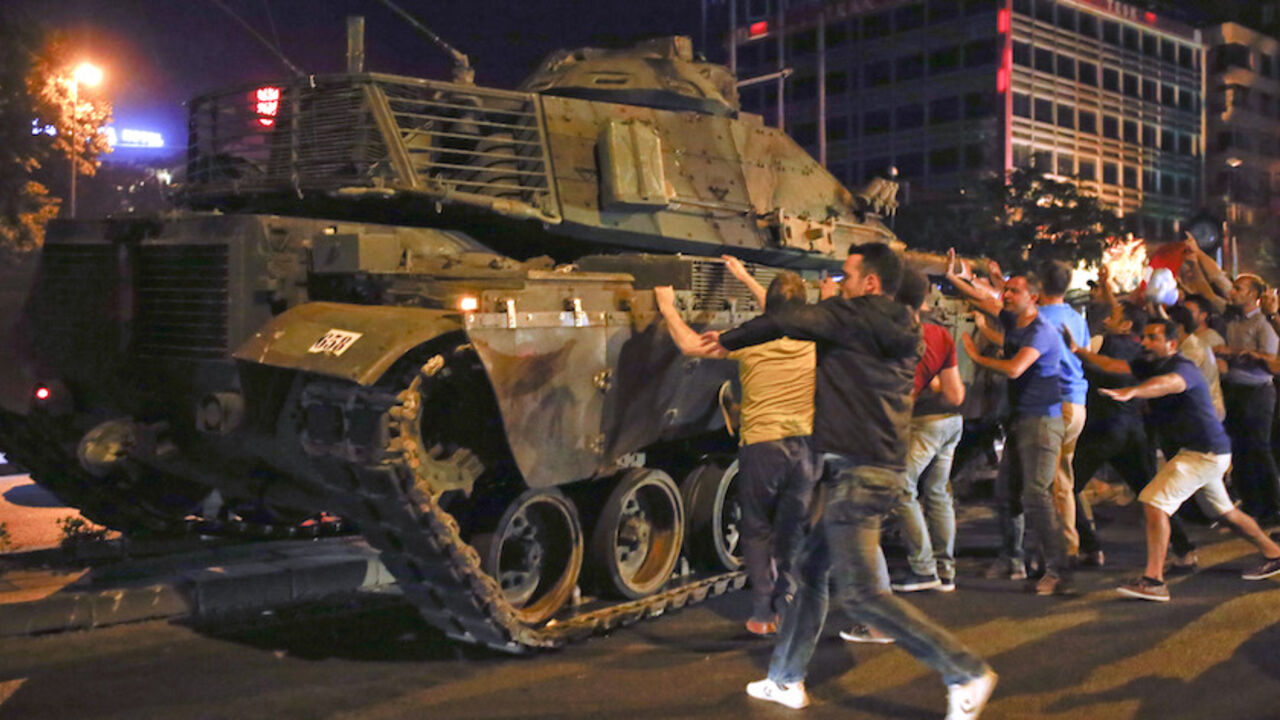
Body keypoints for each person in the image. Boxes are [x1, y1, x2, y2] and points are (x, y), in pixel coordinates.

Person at [705, 243, 995, 718]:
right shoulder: (900, 326)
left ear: (871, 284)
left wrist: (729, 340)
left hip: (859, 472)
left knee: (862, 595)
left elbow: (786, 319)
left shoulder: (856, 317)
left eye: (846, 276)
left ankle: (963, 671)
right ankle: (784, 679)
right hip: (867, 467)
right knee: (810, 570)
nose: (841, 284)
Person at [653, 256, 816, 637]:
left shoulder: (752, 344)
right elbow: (781, 315)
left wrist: (666, 307)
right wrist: (743, 276)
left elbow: (691, 346)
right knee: (791, 529)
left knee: (757, 528)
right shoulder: (814, 341)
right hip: (806, 448)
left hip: (764, 447)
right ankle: (787, 598)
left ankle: (762, 612)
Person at [1101, 319, 1280, 602]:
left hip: (1203, 453)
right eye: (1144, 337)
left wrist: (1134, 392)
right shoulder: (1150, 364)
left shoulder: (1183, 368)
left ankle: (1153, 580)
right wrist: (1075, 350)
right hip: (1207, 452)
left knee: (1153, 501)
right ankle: (1274, 552)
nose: (1145, 342)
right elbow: (1113, 366)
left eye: (1153, 338)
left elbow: (1167, 385)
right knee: (1225, 513)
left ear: (1171, 345)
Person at [1064, 303, 1198, 572]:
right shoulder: (1142, 353)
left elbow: (1086, 365)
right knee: (1151, 492)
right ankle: (1184, 550)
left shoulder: (1101, 341)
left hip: (1102, 429)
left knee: (1065, 488)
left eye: (1112, 316)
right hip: (1133, 430)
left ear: (1125, 325)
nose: (1105, 320)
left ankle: (1090, 547)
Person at [959, 274, 1071, 594]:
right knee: (1007, 493)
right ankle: (1012, 559)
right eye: (1006, 289)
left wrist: (975, 354)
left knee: (1037, 494)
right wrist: (956, 276)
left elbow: (1015, 368)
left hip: (1042, 422)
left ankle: (1056, 570)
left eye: (1015, 291)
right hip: (1020, 420)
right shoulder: (1013, 321)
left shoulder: (1041, 331)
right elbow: (985, 299)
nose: (1007, 295)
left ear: (1033, 298)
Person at [889, 269, 966, 593]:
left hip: (923, 425)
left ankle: (923, 570)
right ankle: (945, 571)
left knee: (901, 486)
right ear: (923, 300)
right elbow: (956, 395)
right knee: (937, 493)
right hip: (950, 424)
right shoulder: (940, 334)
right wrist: (933, 383)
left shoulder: (895, 334)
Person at [1030, 260, 1090, 561]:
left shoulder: (1037, 318)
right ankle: (1070, 542)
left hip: (1054, 403)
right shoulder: (1077, 318)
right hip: (1078, 403)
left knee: (1045, 483)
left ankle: (1059, 549)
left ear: (1040, 285)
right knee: (1062, 479)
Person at [1217, 274, 1280, 523]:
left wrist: (1237, 353)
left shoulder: (1263, 324)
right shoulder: (1232, 319)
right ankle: (1252, 505)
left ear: (1254, 295)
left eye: (1238, 288)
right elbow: (1212, 283)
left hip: (1257, 393)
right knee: (1240, 449)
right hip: (1235, 391)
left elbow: (1273, 363)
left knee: (1258, 448)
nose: (1232, 292)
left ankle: (1273, 506)